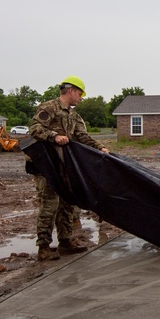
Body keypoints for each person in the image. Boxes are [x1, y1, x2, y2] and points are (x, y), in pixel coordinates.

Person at [28, 76, 109, 261]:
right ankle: (44, 247)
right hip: (47, 166)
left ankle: (65, 241)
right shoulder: (49, 108)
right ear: (71, 90)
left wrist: (100, 149)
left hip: (65, 166)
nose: (81, 98)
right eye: (80, 93)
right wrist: (54, 136)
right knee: (49, 206)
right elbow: (34, 128)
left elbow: (82, 136)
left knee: (67, 204)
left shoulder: (74, 116)